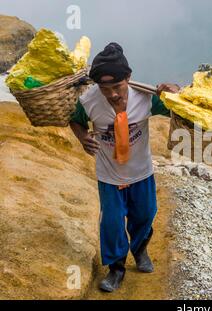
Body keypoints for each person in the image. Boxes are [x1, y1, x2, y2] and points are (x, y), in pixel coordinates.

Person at [69, 42, 179, 293]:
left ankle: (140, 250)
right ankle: (116, 268)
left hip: (141, 172)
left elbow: (180, 107)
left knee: (145, 214)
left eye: (117, 86)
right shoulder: (88, 101)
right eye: (104, 88)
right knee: (112, 222)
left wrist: (175, 91)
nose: (112, 94)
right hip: (109, 175)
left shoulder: (146, 97)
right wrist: (82, 136)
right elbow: (74, 120)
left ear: (128, 78)